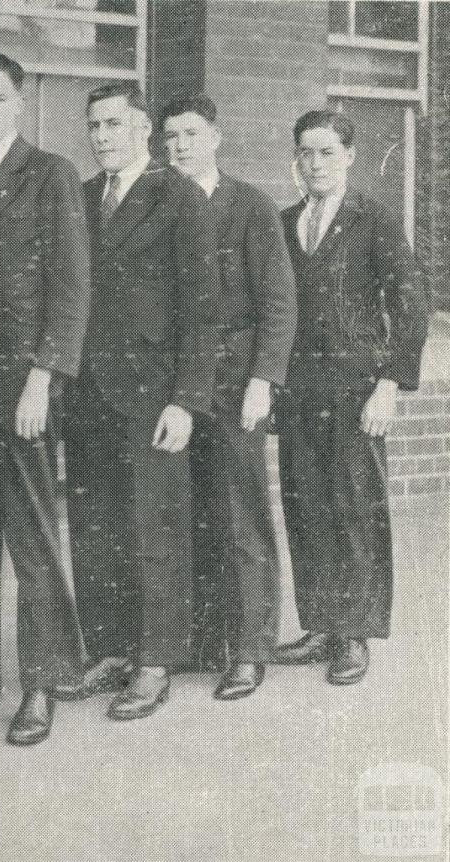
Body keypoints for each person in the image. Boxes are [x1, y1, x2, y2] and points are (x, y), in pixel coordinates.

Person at [65, 83, 219, 720]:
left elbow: (202, 309)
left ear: (143, 130)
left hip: (152, 395)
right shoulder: (81, 197)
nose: (101, 137)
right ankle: (110, 649)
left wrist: (186, 400)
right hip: (88, 393)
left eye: (114, 125)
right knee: (95, 524)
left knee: (155, 528)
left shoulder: (178, 196)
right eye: (94, 126)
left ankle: (155, 660)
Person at [0, 52, 90, 745]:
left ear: (20, 102)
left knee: (31, 535)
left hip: (21, 385)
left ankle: (42, 681)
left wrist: (44, 376)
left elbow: (70, 284)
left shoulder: (50, 174)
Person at [273, 110, 428, 685]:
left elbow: (410, 304)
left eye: (327, 153)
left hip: (356, 391)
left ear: (350, 156)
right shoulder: (286, 222)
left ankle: (354, 633)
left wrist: (389, 384)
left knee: (355, 509)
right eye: (306, 153)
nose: (315, 164)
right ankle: (320, 625)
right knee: (306, 506)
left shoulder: (374, 219)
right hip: (299, 392)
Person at [160, 93, 297, 700]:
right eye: (170, 137)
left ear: (215, 138)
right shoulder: (159, 204)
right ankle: (200, 639)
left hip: (237, 382)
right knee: (185, 511)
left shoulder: (249, 206)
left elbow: (278, 301)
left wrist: (263, 380)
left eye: (190, 135)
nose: (180, 147)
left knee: (240, 514)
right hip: (175, 385)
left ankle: (248, 648)